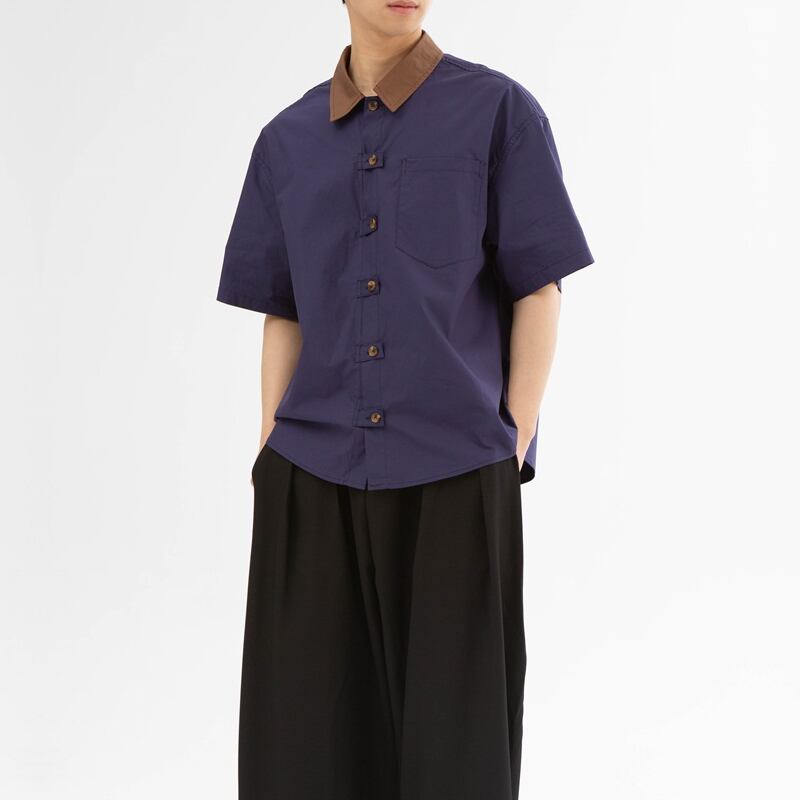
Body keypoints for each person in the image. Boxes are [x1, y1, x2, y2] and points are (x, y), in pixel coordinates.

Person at [216, 1, 594, 798]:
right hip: (312, 475)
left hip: (458, 472)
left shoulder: (498, 113)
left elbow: (539, 286)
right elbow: (283, 310)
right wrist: (268, 451)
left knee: (457, 758)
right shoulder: (286, 141)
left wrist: (512, 437)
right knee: (302, 756)